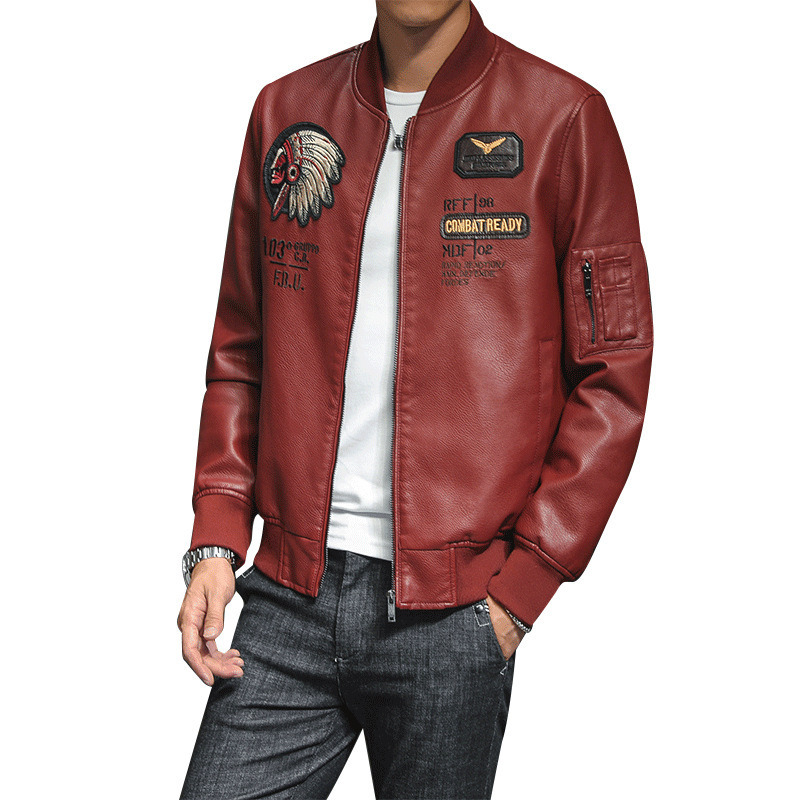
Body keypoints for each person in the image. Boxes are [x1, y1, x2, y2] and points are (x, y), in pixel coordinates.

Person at [176, 1, 654, 797]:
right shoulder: (286, 111)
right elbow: (241, 350)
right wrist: (218, 538)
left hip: (455, 614)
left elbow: (615, 372)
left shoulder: (563, 118)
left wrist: (520, 592)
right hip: (288, 594)